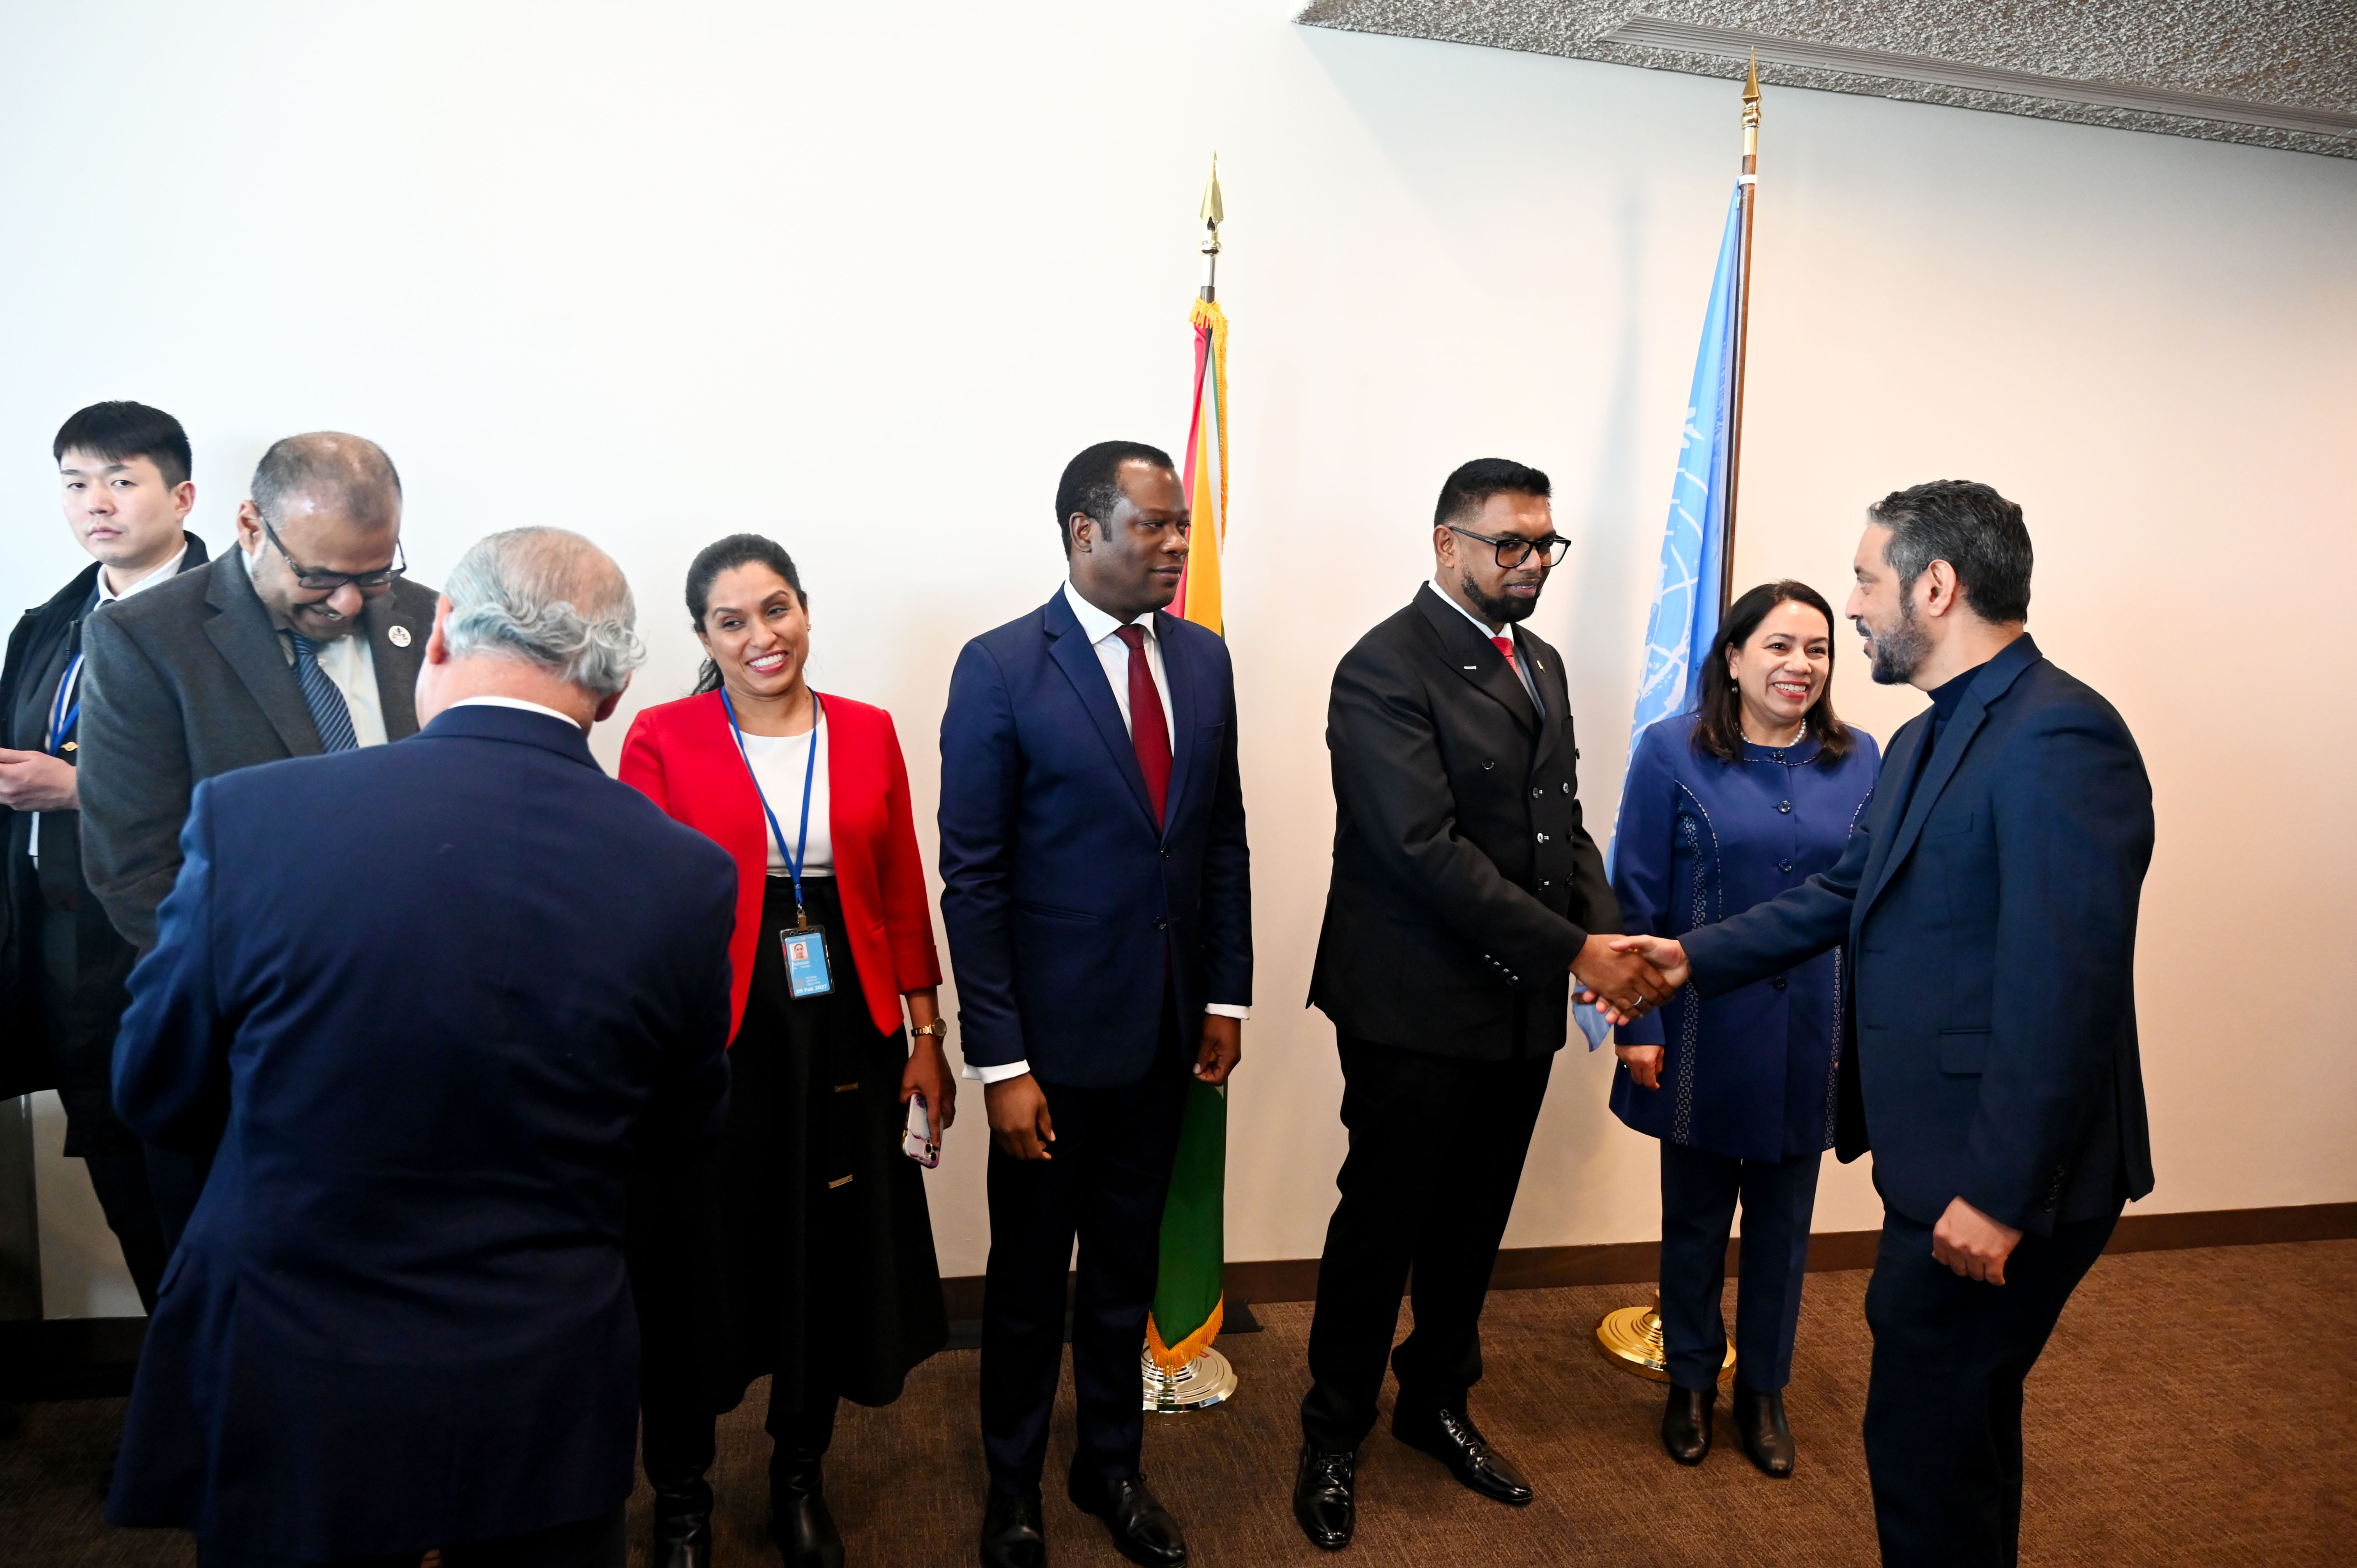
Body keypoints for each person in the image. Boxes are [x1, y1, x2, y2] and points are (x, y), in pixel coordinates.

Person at [106, 528, 736, 1568]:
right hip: (541, 1370)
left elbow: (155, 1088)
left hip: (294, 1356)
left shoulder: (255, 820)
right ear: (615, 689)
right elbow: (677, 1137)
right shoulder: (684, 878)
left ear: (439, 632)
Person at [1609, 482, 2154, 1568]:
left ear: (1936, 587)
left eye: (1864, 581)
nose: (1852, 610)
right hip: (1939, 1166)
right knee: (1949, 1440)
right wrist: (1678, 960)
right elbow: (1834, 900)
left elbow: (2065, 990)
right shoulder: (1919, 745)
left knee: (1924, 1446)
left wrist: (1999, 1197)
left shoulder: (2060, 736)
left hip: (2001, 1186)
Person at [1292, 457, 1670, 1552]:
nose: (1531, 564)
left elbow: (1564, 827)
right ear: (1446, 544)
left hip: (1515, 1003)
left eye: (1545, 544)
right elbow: (1422, 853)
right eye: (1509, 543)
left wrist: (1607, 939)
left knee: (1472, 1223)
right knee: (1385, 1224)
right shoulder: (1383, 667)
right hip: (1411, 1003)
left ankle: (1435, 1402)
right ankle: (1332, 1430)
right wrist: (1579, 954)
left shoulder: (1539, 660)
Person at [939, 441, 1251, 1568]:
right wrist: (1003, 1064)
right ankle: (1013, 1483)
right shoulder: (1003, 667)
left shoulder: (1205, 660)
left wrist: (1225, 995)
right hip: (1052, 1053)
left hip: (1168, 1034)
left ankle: (1111, 1465)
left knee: (1124, 1270)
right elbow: (971, 880)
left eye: (1180, 526)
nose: (1176, 545)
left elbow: (1219, 837)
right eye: (1155, 526)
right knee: (1028, 1286)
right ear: (1084, 532)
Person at [618, 535, 954, 1568]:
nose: (762, 637)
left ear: (804, 609)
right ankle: (680, 1495)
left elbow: (899, 884)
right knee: (694, 1263)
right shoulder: (662, 736)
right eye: (733, 621)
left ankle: (797, 1476)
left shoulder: (865, 729)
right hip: (711, 1035)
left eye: (777, 610)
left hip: (845, 1027)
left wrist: (926, 1033)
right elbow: (644, 908)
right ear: (704, 639)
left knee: (826, 1253)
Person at [76, 429, 434, 1245]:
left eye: (372, 575)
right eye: (318, 575)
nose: (349, 603)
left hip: (423, 1025)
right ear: (249, 525)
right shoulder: (145, 639)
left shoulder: (428, 616)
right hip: (254, 1040)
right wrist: (305, 992)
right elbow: (135, 867)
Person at [1606, 580, 1880, 1476]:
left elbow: (1869, 902)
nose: (1800, 665)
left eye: (1818, 649)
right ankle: (1689, 1380)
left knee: (1783, 1227)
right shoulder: (1671, 751)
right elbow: (1637, 891)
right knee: (1692, 1220)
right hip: (1694, 1032)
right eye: (1778, 646)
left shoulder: (1863, 757)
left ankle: (1763, 1390)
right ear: (1732, 656)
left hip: (1815, 1035)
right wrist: (1636, 1021)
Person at [0, 402, 209, 1310]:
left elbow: (271, 776)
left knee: (201, 1174)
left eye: (123, 480)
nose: (98, 502)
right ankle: (180, 1393)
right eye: (77, 482)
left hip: (181, 938)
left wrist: (82, 786)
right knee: (121, 1171)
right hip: (63, 937)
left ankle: (236, 1403)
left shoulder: (238, 623)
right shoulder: (49, 622)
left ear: (183, 495)